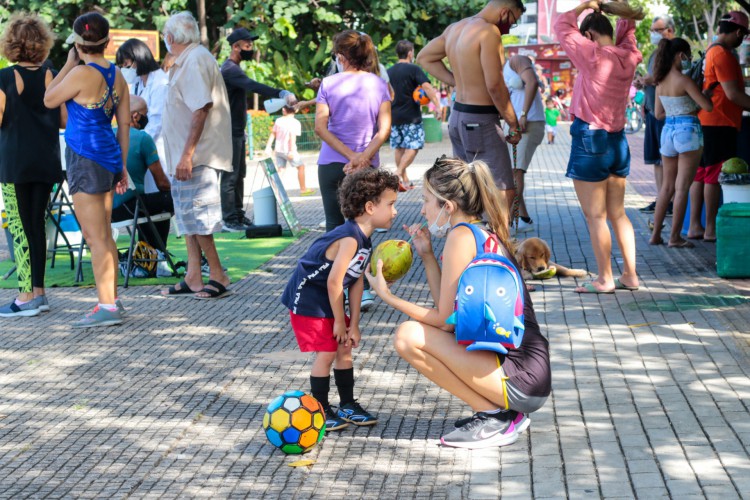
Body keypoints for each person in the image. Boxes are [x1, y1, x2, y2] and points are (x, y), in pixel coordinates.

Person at [365, 157, 550, 449]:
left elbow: (440, 320)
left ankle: (496, 418)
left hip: (520, 379)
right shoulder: (480, 232)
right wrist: (426, 255)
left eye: (426, 201)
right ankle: (500, 413)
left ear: (447, 206)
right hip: (530, 376)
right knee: (415, 334)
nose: (423, 209)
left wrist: (388, 296)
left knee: (407, 336)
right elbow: (449, 317)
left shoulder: (460, 237)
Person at [281, 168, 399, 430]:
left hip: (327, 297)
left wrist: (353, 323)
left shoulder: (364, 240)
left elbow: (355, 280)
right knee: (327, 351)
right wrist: (338, 321)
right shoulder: (349, 239)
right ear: (370, 207)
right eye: (391, 204)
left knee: (344, 347)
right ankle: (319, 409)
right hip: (309, 299)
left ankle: (347, 404)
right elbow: (335, 282)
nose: (395, 211)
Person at [44, 12, 130, 327]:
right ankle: (112, 301)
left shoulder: (81, 74)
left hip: (85, 158)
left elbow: (49, 98)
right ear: (107, 42)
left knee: (95, 238)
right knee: (104, 235)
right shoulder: (117, 75)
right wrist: (121, 166)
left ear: (79, 43)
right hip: (107, 158)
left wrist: (69, 63)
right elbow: (124, 127)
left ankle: (106, 305)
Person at [554, 0, 643, 294]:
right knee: (618, 214)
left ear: (589, 36)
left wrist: (585, 5)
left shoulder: (592, 54)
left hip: (590, 140)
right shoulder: (628, 56)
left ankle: (605, 279)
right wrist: (617, 12)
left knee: (596, 217)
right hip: (617, 143)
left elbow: (561, 25)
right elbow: (628, 27)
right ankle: (630, 275)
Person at [417, 0, 524, 212]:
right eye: (513, 21)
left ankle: (471, 238)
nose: (510, 27)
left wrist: (457, 80)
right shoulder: (489, 32)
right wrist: (513, 124)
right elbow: (495, 85)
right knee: (503, 189)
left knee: (469, 185)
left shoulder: (455, 28)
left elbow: (424, 57)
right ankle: (496, 241)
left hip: (458, 117)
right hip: (481, 120)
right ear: (505, 12)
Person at [159, 11, 232, 299]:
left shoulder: (194, 60)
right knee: (188, 218)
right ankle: (193, 275)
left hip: (196, 157)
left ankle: (218, 274)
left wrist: (187, 155)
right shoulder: (189, 59)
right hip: (186, 156)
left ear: (170, 38)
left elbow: (200, 108)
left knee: (199, 218)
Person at [0, 13, 63, 318]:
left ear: (11, 43)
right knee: (36, 226)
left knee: (20, 228)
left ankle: (25, 297)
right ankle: (39, 293)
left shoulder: (5, 77)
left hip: (15, 162)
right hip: (47, 158)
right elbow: (62, 118)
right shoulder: (53, 74)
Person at [221, 27, 296, 232]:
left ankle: (237, 214)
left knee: (239, 174)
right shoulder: (229, 70)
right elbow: (253, 86)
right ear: (235, 47)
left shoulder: (234, 68)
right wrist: (281, 92)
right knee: (230, 176)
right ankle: (229, 219)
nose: (250, 49)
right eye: (247, 45)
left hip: (236, 130)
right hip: (228, 132)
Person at [690, 11, 750, 242]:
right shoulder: (723, 55)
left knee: (701, 174)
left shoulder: (711, 51)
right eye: (743, 35)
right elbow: (733, 94)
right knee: (714, 176)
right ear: (738, 32)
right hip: (720, 122)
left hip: (707, 121)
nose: (742, 40)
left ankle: (696, 225)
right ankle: (711, 229)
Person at [649, 39, 714, 248]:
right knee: (682, 187)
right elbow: (708, 107)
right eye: (688, 55)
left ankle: (655, 235)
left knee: (666, 187)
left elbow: (658, 114)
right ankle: (675, 237)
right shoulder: (685, 80)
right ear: (680, 55)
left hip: (668, 130)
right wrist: (704, 96)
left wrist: (677, 108)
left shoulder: (660, 81)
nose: (690, 60)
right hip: (688, 130)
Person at [112, 95, 174, 251]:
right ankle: (155, 255)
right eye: (145, 115)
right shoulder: (142, 138)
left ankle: (146, 254)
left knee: (148, 204)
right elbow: (162, 183)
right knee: (167, 200)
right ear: (135, 116)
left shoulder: (106, 135)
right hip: (130, 208)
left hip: (105, 210)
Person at [115, 38, 169, 191]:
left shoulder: (160, 83)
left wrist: (137, 144)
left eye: (126, 64)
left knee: (162, 190)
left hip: (158, 147)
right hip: (144, 147)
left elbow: (157, 123)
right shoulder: (137, 83)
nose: (124, 69)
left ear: (137, 59)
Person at [387, 39, 441, 191]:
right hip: (411, 116)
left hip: (394, 116)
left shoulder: (389, 71)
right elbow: (427, 88)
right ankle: (398, 173)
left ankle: (404, 180)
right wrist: (437, 106)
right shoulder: (413, 69)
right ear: (410, 53)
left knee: (399, 148)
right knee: (414, 146)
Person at [636, 15, 676, 216]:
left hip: (667, 113)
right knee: (656, 160)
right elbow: (653, 78)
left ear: (670, 30)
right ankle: (661, 199)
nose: (654, 34)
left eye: (658, 30)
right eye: (653, 30)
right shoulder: (655, 54)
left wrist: (651, 79)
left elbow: (672, 77)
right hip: (652, 111)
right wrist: (643, 82)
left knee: (667, 160)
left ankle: (671, 200)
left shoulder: (674, 51)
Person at [504, 54, 545, 233]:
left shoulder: (516, 60)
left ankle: (509, 221)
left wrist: (523, 113)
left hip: (528, 122)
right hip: (515, 123)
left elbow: (533, 82)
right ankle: (524, 219)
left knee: (515, 172)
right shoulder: (497, 70)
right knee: (513, 171)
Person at [265, 105, 314, 195]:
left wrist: (268, 146)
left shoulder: (278, 120)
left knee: (281, 169)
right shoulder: (295, 122)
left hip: (278, 149)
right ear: (295, 110)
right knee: (301, 167)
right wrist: (291, 151)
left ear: (285, 110)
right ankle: (303, 189)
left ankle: (274, 189)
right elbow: (292, 137)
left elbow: (273, 134)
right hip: (288, 150)